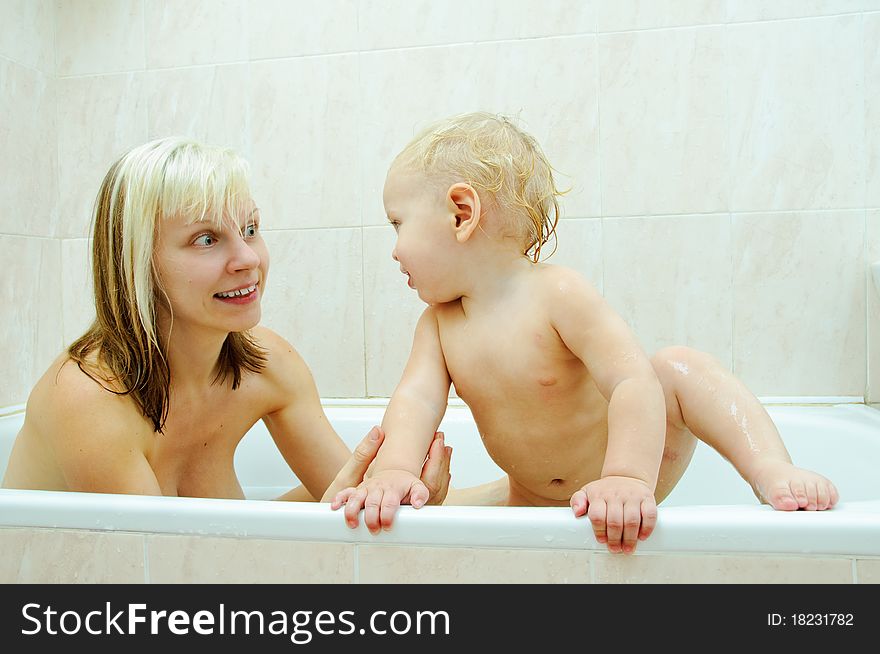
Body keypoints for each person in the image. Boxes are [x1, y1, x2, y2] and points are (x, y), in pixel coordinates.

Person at [332, 112, 838, 553]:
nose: (394, 249)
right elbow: (416, 401)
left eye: (397, 224)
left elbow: (629, 382)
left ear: (461, 214)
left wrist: (625, 476)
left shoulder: (557, 294)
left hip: (626, 472)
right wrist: (397, 468)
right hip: (531, 497)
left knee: (676, 367)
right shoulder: (439, 325)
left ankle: (771, 469)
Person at [1, 137, 451, 504]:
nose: (247, 258)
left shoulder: (266, 364)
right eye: (206, 238)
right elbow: (164, 586)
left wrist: (512, 492)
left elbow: (345, 498)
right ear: (136, 264)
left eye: (250, 229)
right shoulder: (89, 399)